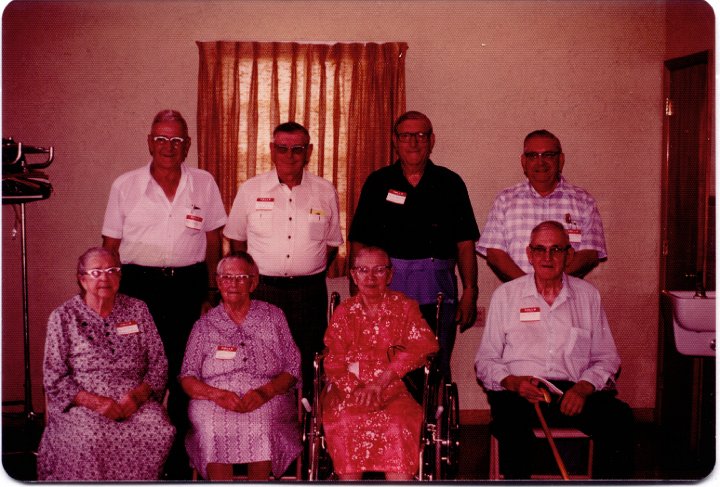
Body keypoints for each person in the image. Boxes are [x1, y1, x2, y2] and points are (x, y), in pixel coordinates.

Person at [101, 109, 227, 479]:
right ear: (149, 142)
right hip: (139, 287)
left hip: (187, 286)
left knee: (183, 371)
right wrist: (110, 296)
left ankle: (177, 461)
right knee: (138, 371)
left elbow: (214, 239)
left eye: (176, 140)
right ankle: (139, 457)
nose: (168, 147)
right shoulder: (125, 185)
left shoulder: (203, 183)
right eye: (161, 139)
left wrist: (209, 292)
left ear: (187, 144)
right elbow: (110, 244)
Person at [475, 221, 633, 479]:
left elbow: (607, 358)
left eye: (556, 250)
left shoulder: (588, 296)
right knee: (512, 426)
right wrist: (513, 382)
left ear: (569, 255)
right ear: (529, 254)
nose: (547, 257)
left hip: (571, 390)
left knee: (619, 419)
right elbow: (486, 359)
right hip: (520, 392)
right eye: (540, 249)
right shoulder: (506, 295)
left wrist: (582, 388)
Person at [348, 111, 479, 379]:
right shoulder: (378, 182)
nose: (414, 142)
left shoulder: (450, 183)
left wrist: (470, 291)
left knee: (434, 364)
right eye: (406, 136)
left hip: (437, 289)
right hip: (386, 289)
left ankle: (432, 419)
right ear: (395, 141)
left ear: (432, 140)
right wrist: (357, 294)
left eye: (421, 135)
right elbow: (359, 241)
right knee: (386, 364)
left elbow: (465, 244)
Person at [223, 121, 342, 397]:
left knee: (309, 359)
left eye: (297, 149)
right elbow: (237, 240)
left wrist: (307, 267)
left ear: (309, 151)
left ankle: (306, 427)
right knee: (262, 359)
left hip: (309, 292)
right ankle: (267, 421)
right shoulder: (251, 189)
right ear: (272, 150)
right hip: (263, 290)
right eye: (282, 148)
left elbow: (332, 243)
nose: (290, 155)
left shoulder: (325, 191)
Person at [37, 247, 174, 481]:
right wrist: (96, 403)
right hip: (83, 402)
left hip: (133, 398)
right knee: (91, 438)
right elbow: (54, 376)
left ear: (120, 276)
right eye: (96, 272)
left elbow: (158, 362)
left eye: (112, 270)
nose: (105, 278)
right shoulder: (64, 316)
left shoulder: (137, 309)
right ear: (82, 279)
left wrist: (137, 397)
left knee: (160, 430)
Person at [179, 253, 302, 481]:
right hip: (214, 398)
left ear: (253, 282)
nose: (232, 284)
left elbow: (293, 367)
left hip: (268, 394)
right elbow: (187, 375)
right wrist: (216, 395)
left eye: (240, 277)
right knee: (211, 425)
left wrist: (265, 392)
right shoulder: (204, 324)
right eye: (226, 277)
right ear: (218, 282)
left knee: (262, 423)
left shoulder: (274, 316)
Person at [321, 246, 439, 480]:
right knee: (347, 421)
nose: (371, 277)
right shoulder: (345, 312)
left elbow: (426, 344)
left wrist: (382, 381)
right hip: (349, 392)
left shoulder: (405, 307)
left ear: (390, 274)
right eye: (363, 270)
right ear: (353, 275)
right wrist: (356, 389)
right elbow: (333, 361)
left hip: (394, 389)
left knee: (398, 423)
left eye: (379, 270)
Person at [476, 129, 607, 282]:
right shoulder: (505, 201)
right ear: (523, 162)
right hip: (517, 296)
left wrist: (555, 283)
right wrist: (529, 287)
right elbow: (495, 254)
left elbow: (590, 254)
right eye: (532, 156)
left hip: (568, 296)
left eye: (548, 155)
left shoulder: (584, 201)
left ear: (561, 160)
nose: (540, 162)